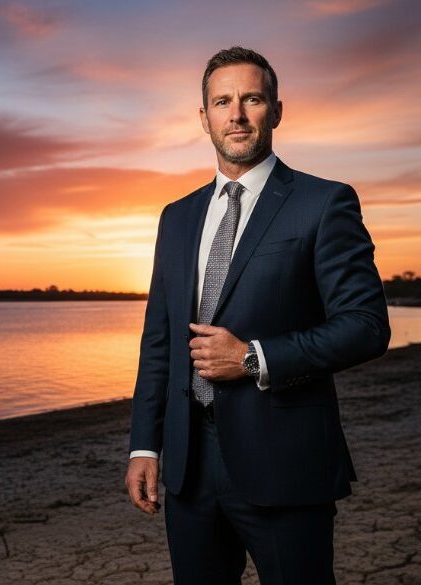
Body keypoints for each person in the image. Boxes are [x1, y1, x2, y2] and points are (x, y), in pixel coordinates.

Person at [124, 46, 390, 585]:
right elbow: (160, 342)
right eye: (222, 101)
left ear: (276, 110)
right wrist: (145, 444)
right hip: (188, 469)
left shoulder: (324, 202)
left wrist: (252, 358)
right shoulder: (176, 218)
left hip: (286, 463)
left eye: (252, 99)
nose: (237, 114)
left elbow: (366, 325)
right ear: (204, 117)